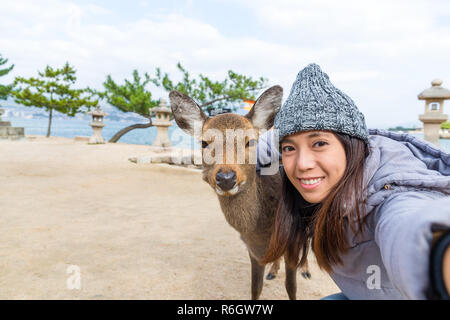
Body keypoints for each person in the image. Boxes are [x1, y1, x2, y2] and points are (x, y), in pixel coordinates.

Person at [256, 63, 450, 300]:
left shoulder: (392, 191)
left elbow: (409, 222)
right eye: (289, 148)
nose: (302, 164)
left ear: (351, 145)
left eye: (319, 143)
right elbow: (259, 148)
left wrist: (437, 251)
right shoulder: (333, 178)